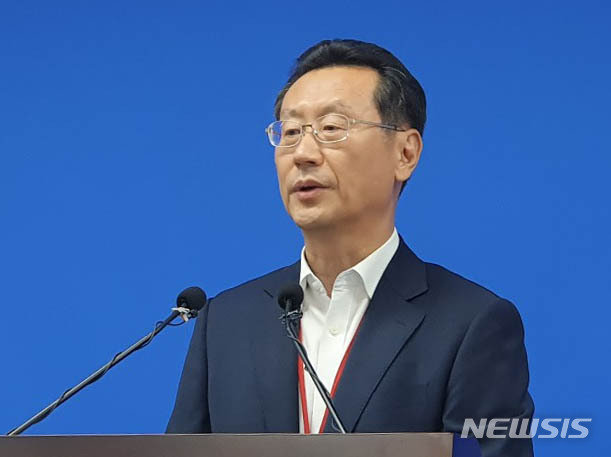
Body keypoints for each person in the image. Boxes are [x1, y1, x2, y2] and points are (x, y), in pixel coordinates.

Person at [166, 39, 534, 457]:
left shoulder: (471, 324)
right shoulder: (226, 322)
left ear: (406, 153)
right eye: (290, 132)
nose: (303, 154)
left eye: (331, 128)